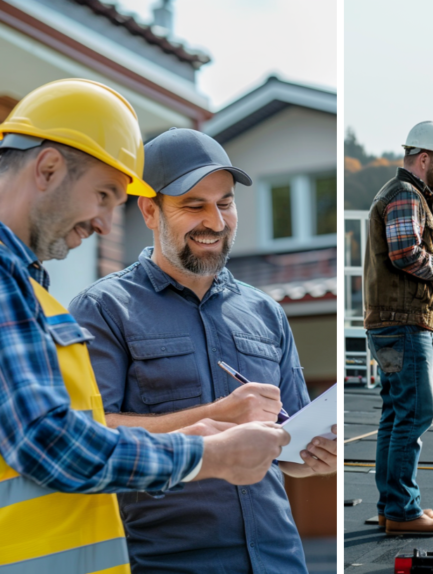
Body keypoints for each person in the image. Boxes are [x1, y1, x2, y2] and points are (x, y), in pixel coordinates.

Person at [0, 79, 290, 574]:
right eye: (103, 194)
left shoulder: (28, 289)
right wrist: (203, 453)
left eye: (224, 203)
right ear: (48, 169)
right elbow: (48, 442)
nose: (105, 225)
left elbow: (68, 434)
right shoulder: (35, 290)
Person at [69, 128, 337, 573]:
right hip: (167, 563)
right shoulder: (103, 309)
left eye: (225, 203)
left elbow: (290, 449)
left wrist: (315, 457)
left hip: (279, 560)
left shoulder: (266, 312)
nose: (214, 220)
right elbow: (92, 436)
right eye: (194, 206)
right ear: (151, 211)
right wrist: (220, 414)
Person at [363, 121, 433, 536]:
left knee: (396, 414)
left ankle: (393, 507)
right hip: (404, 325)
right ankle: (404, 511)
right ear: (424, 158)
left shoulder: (399, 195)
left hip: (390, 324)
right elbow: (406, 254)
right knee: (414, 414)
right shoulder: (407, 195)